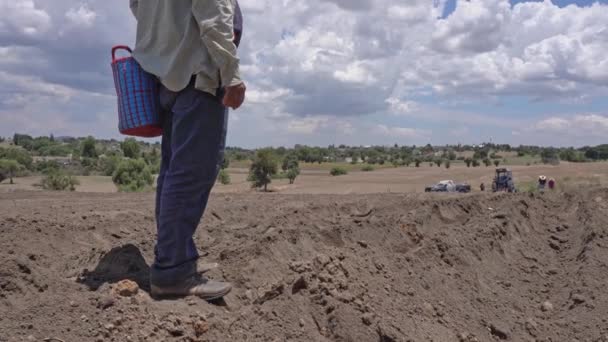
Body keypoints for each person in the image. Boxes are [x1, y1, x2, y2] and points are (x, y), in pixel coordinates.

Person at [130, 0, 246, 300]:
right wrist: (231, 74)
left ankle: (176, 257)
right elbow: (214, 17)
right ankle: (173, 272)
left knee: (173, 172)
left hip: (167, 75)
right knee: (191, 174)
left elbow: (137, 6)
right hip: (197, 75)